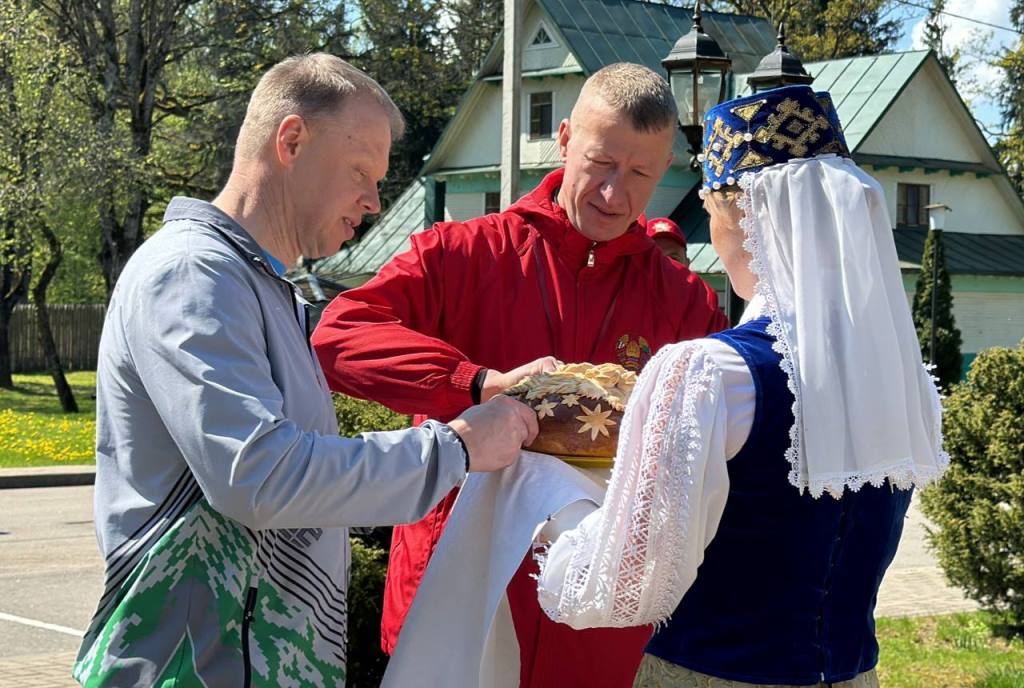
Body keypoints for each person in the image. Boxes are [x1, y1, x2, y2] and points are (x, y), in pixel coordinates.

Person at [72, 53, 537, 688]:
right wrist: (455, 447)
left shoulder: (260, 287)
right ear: (290, 140)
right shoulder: (192, 274)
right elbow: (261, 477)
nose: (374, 202)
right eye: (360, 173)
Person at [311, 62, 729, 687]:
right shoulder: (459, 253)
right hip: (456, 593)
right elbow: (339, 336)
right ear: (563, 139)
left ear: (665, 168)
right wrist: (477, 384)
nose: (615, 194)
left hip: (596, 623)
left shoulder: (684, 301)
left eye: (640, 174)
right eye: (601, 164)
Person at [536, 86, 949, 687]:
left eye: (711, 209)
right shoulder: (908, 382)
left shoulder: (708, 372)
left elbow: (624, 586)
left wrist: (554, 503)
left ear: (743, 218)